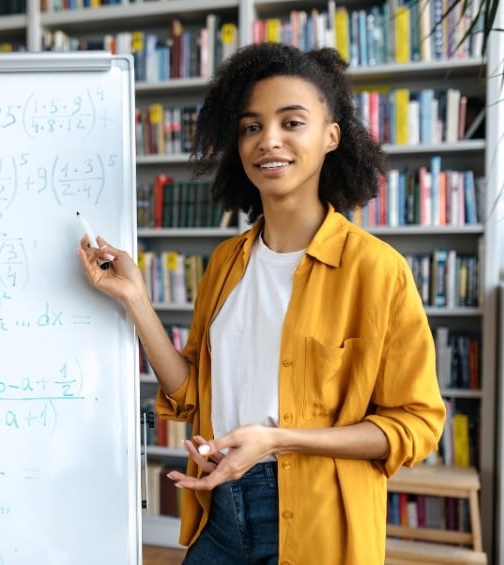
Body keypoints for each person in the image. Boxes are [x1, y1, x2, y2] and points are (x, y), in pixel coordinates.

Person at [78, 42, 446, 565]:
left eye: (291, 122)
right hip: (219, 511)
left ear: (331, 136)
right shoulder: (227, 261)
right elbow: (189, 396)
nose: (268, 140)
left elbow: (417, 425)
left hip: (316, 522)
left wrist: (279, 440)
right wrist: (136, 298)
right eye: (251, 127)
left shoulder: (376, 270)